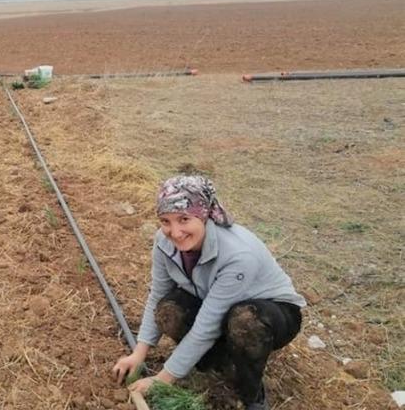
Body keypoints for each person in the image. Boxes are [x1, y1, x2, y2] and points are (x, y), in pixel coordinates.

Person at [112, 175, 305, 410]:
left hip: (272, 314)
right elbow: (157, 295)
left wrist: (162, 379)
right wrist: (138, 354)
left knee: (245, 321)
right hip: (218, 304)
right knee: (168, 310)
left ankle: (252, 395)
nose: (175, 231)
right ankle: (221, 361)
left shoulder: (238, 255)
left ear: (204, 216)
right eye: (165, 221)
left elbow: (207, 325)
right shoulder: (163, 242)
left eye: (184, 219)